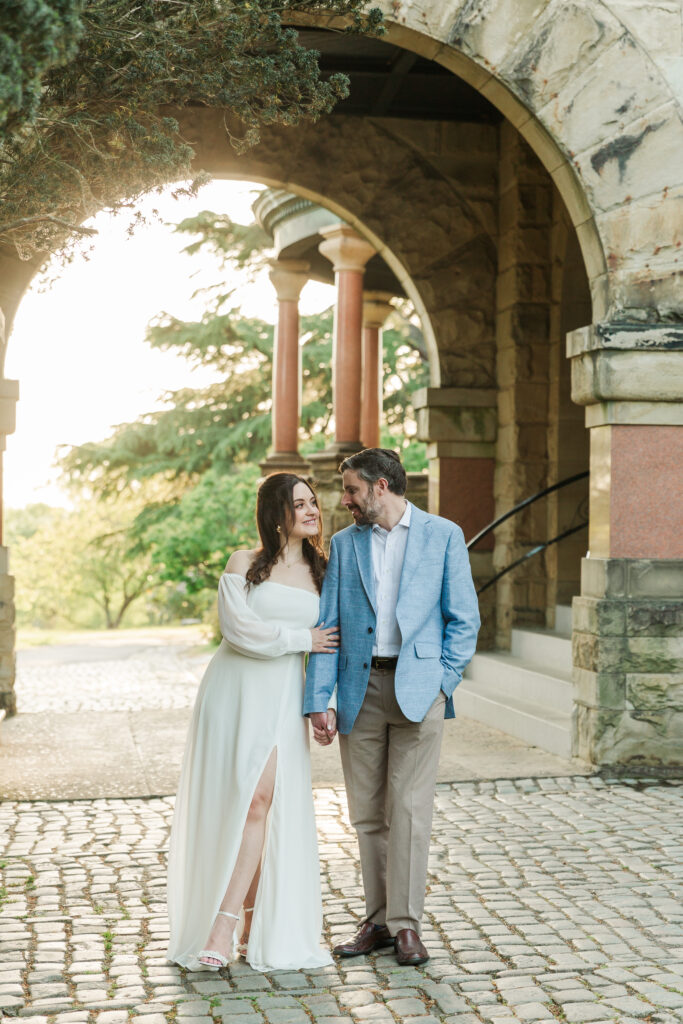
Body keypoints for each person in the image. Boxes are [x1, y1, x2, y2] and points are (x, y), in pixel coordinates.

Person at [304, 448, 480, 966]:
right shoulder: (344, 543)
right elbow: (328, 628)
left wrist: (444, 682)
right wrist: (320, 699)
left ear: (381, 487)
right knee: (366, 816)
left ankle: (406, 925)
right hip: (361, 691)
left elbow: (464, 619)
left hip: (420, 690)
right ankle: (377, 921)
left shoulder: (443, 535)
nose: (345, 500)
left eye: (352, 490)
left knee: (407, 809)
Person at [167, 473, 339, 972]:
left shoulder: (324, 573)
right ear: (275, 513)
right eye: (299, 503)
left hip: (283, 696)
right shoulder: (244, 564)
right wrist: (302, 638)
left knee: (261, 801)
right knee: (240, 804)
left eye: (313, 502)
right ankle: (249, 917)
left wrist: (323, 701)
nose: (311, 511)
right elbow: (239, 629)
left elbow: (333, 643)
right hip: (232, 691)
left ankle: (226, 924)